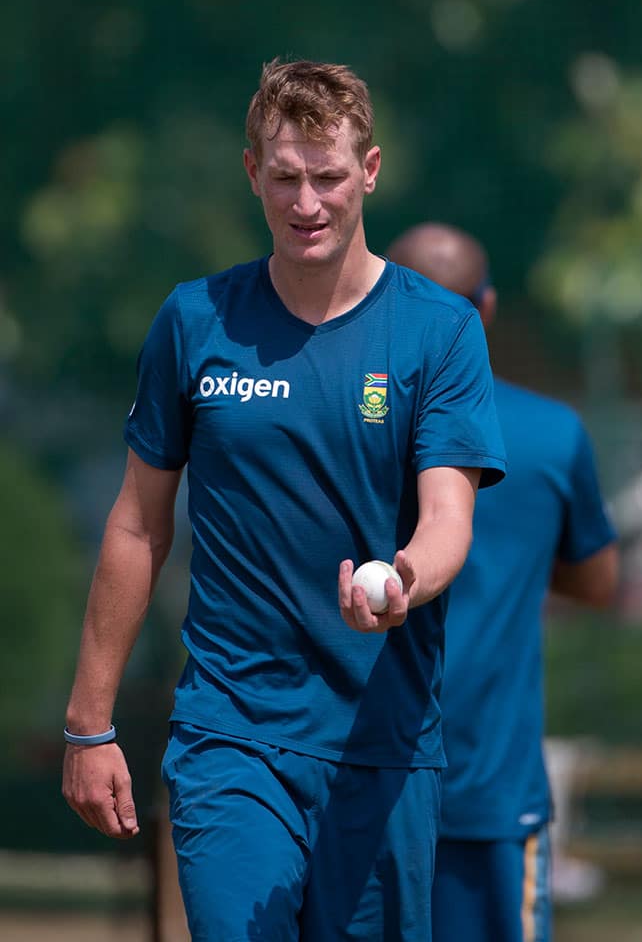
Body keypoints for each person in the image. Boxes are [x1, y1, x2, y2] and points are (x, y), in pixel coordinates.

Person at [62, 61, 506, 941]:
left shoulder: (439, 330)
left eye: (329, 177)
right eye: (285, 177)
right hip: (231, 736)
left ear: (369, 171)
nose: (307, 203)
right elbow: (137, 524)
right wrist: (88, 723)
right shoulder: (194, 322)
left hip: (383, 744)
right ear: (251, 172)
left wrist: (406, 578)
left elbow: (448, 515)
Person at [386, 222, 619, 942]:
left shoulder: (343, 419)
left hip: (355, 784)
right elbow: (597, 583)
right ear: (484, 308)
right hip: (489, 786)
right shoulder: (551, 433)